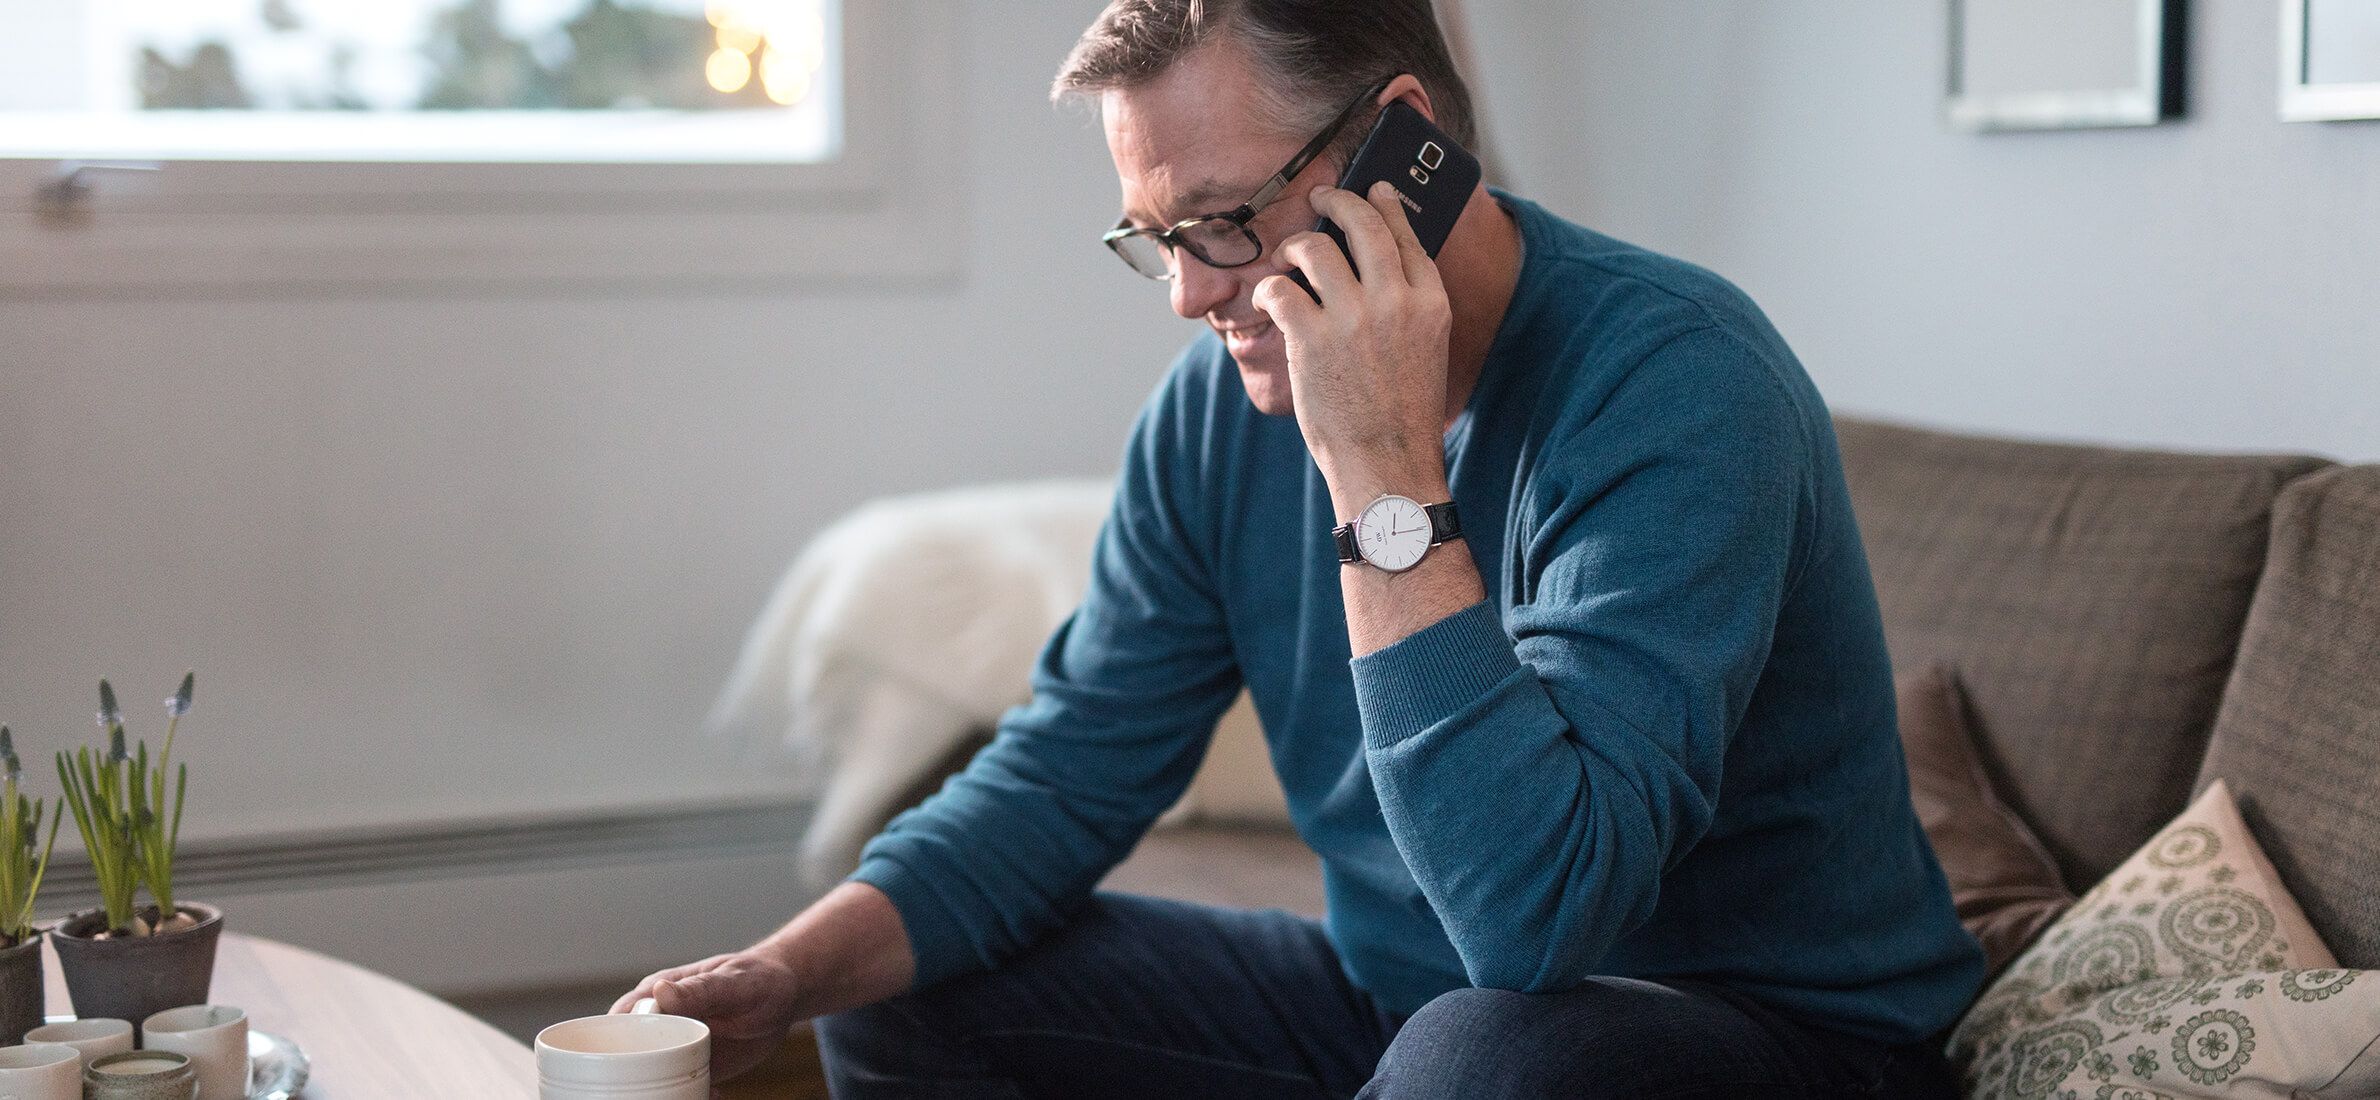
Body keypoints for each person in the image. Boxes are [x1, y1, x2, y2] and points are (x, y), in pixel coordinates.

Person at [615, 1, 1987, 1095]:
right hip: (1403, 1009)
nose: (1191, 297)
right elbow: (1074, 761)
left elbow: (1537, 923)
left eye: (1222, 220)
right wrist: (788, 973)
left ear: (1408, 144)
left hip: (1773, 1040)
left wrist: (1380, 464)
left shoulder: (1678, 386)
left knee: (1495, 1054)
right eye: (1153, 239)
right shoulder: (1213, 415)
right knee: (909, 993)